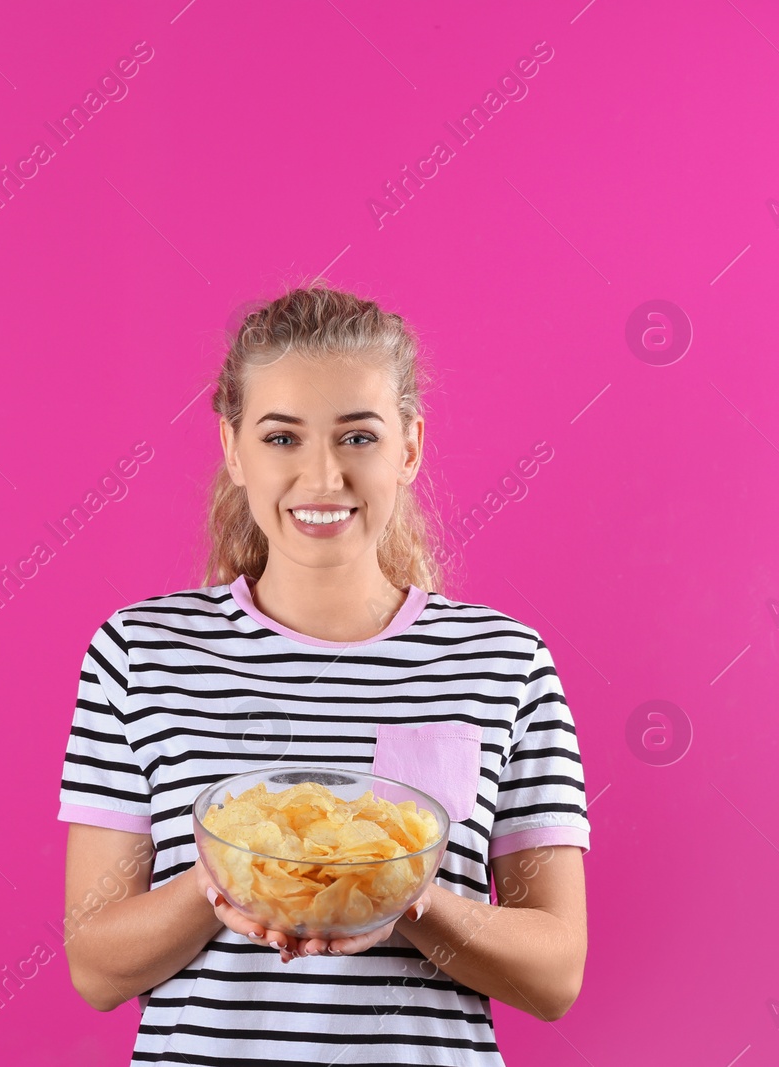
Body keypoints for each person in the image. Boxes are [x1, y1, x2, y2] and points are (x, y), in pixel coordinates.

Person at [56, 283, 590, 1064]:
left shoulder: (504, 661)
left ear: (408, 447)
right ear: (233, 449)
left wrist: (402, 895)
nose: (323, 476)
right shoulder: (140, 651)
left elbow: (555, 973)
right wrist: (232, 884)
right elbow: (95, 964)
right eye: (281, 437)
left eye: (358, 437)